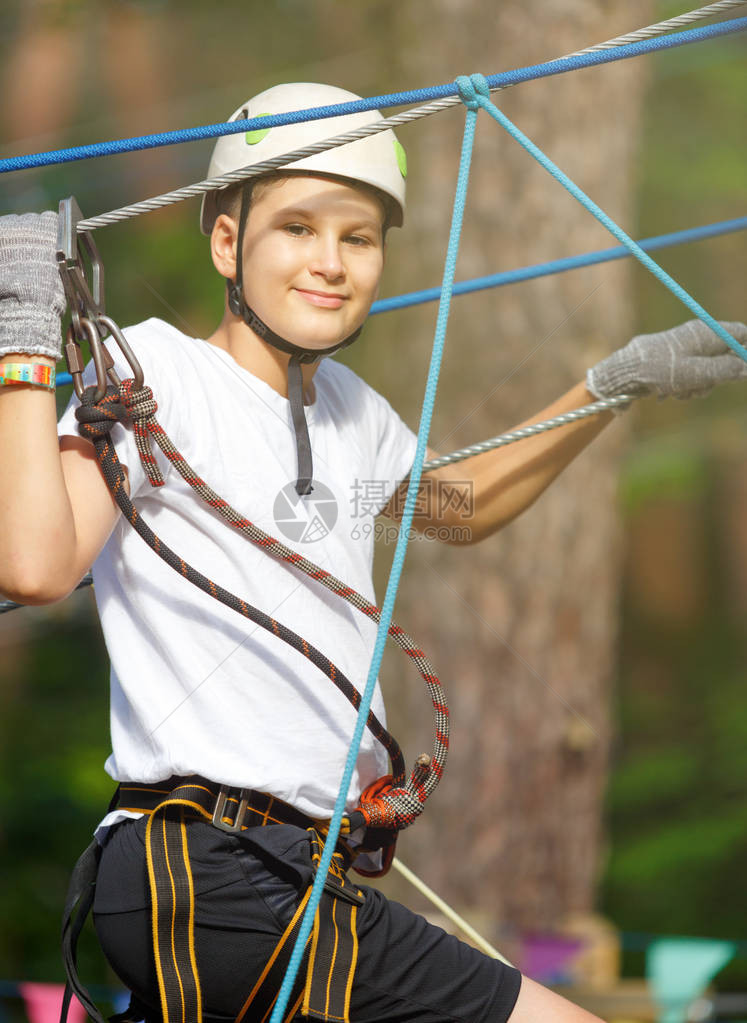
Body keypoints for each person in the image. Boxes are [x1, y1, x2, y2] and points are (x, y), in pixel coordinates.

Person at [1, 82, 746, 1023]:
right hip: (205, 868)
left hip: (286, 872)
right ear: (227, 243)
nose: (331, 261)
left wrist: (610, 385)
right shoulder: (160, 374)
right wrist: (21, 344)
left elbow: (459, 502)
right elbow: (33, 564)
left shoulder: (350, 415)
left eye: (358, 237)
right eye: (298, 228)